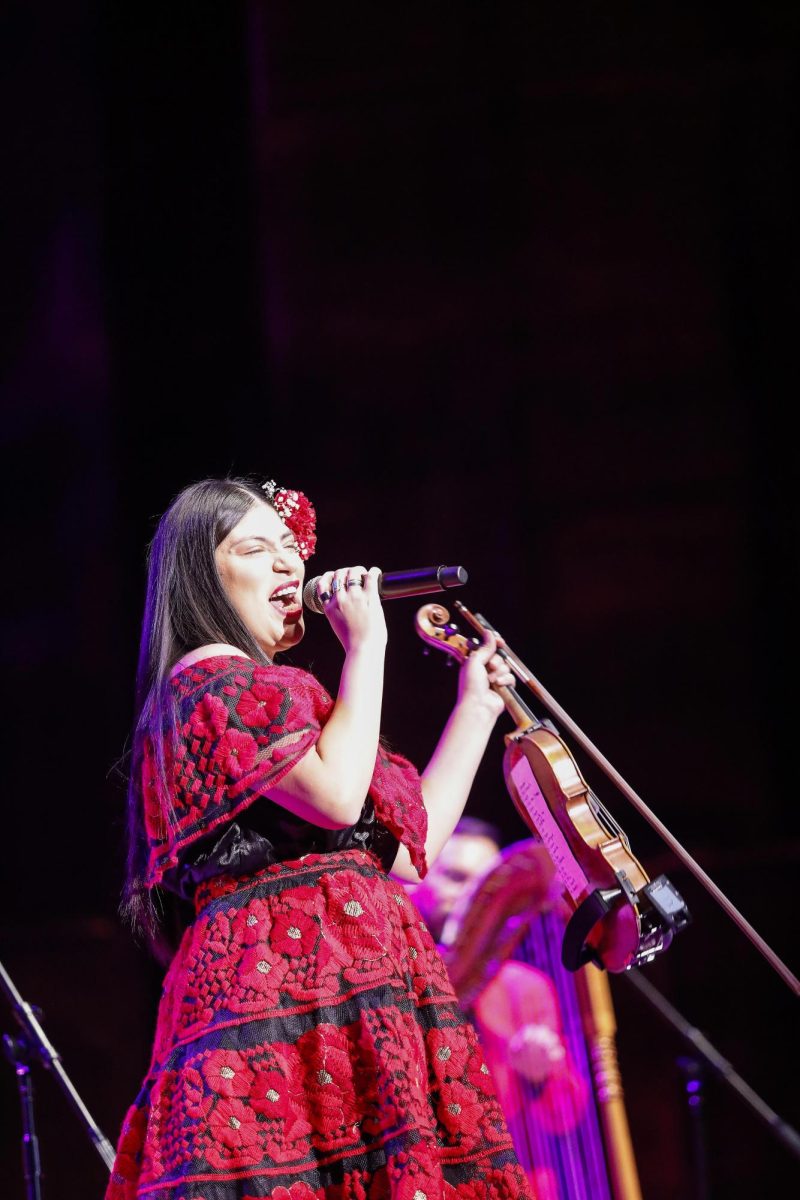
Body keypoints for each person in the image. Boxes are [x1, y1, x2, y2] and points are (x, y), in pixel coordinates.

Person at [105, 475, 537, 1200]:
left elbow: (403, 851)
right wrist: (365, 647)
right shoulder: (212, 683)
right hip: (284, 998)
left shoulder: (291, 703)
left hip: (347, 989)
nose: (289, 565)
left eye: (289, 547)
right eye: (256, 548)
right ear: (202, 580)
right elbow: (340, 799)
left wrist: (478, 705)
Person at [409, 818, 594, 1200]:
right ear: (416, 883)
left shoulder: (526, 988)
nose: (473, 897)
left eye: (487, 887)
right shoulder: (386, 976)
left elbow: (565, 1118)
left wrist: (544, 1073)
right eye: (458, 878)